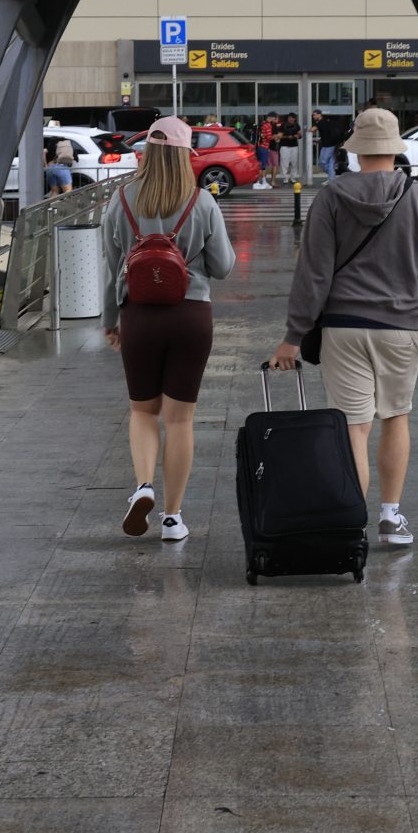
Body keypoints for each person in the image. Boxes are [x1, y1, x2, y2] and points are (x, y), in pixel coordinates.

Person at [270, 108, 418, 548]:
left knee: (353, 428)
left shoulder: (331, 197)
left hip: (342, 329)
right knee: (395, 417)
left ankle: (352, 524)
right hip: (399, 329)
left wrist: (294, 336)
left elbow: (313, 275)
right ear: (395, 149)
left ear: (356, 151)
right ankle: (390, 518)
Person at [102, 118, 235, 542]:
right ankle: (173, 519)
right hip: (190, 317)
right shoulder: (202, 201)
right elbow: (224, 267)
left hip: (139, 317)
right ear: (184, 156)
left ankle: (143, 486)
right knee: (180, 421)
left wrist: (110, 321)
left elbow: (112, 268)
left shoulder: (121, 199)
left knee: (143, 411)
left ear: (147, 153)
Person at [317, 110, 349, 177]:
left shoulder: (326, 123)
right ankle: (332, 177)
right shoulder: (339, 125)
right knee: (331, 162)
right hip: (336, 144)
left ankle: (332, 174)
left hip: (329, 145)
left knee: (323, 162)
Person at [276, 113, 302, 185]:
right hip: (285, 146)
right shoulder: (283, 125)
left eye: (293, 118)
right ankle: (285, 177)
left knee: (294, 162)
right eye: (290, 118)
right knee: (284, 162)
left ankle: (293, 177)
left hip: (294, 146)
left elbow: (300, 135)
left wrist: (298, 135)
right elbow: (279, 136)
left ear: (295, 119)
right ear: (288, 118)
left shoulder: (297, 125)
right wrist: (287, 137)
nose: (291, 120)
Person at [254, 114, 275, 191]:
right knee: (263, 166)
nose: (274, 120)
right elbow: (268, 137)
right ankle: (262, 182)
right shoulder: (268, 125)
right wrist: (276, 137)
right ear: (270, 118)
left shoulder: (262, 124)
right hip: (264, 147)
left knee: (260, 164)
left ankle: (258, 181)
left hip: (259, 146)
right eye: (274, 118)